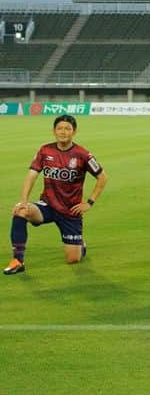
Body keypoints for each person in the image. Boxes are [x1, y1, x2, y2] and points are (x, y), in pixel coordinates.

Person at [5, 115, 107, 275]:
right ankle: (18, 260)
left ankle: (80, 244)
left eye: (67, 128)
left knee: (73, 259)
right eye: (59, 128)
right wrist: (23, 201)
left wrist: (89, 203)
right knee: (20, 211)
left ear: (74, 131)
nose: (63, 132)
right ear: (53, 131)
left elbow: (102, 177)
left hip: (70, 211)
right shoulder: (45, 150)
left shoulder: (83, 154)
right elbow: (31, 176)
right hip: (47, 205)